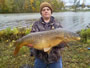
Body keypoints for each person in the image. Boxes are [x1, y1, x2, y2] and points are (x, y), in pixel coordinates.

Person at [27, 2, 67, 68]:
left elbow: (63, 44)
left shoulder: (57, 24)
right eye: (43, 10)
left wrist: (58, 42)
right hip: (40, 57)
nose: (46, 11)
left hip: (55, 57)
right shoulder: (36, 24)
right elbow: (32, 39)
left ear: (51, 11)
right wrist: (32, 46)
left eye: (48, 9)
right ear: (41, 12)